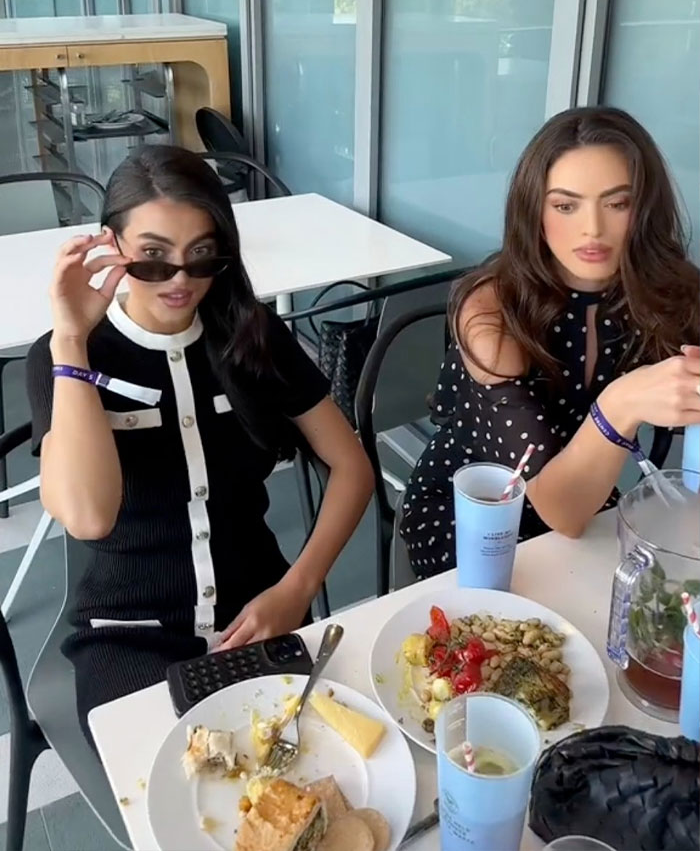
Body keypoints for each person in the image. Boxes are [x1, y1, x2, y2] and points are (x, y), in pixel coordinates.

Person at [26, 145, 374, 735]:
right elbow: (88, 516)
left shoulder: (252, 336)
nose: (181, 280)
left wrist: (299, 586)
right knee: (181, 790)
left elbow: (352, 466)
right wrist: (69, 342)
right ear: (111, 246)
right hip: (129, 635)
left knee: (305, 773)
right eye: (154, 259)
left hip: (261, 609)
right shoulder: (66, 357)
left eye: (202, 257)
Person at [400, 106, 700, 579]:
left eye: (617, 203)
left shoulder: (664, 293)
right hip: (475, 510)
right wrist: (623, 402)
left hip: (590, 497)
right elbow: (556, 508)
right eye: (565, 205)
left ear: (644, 208)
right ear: (534, 210)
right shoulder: (491, 309)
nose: (593, 230)